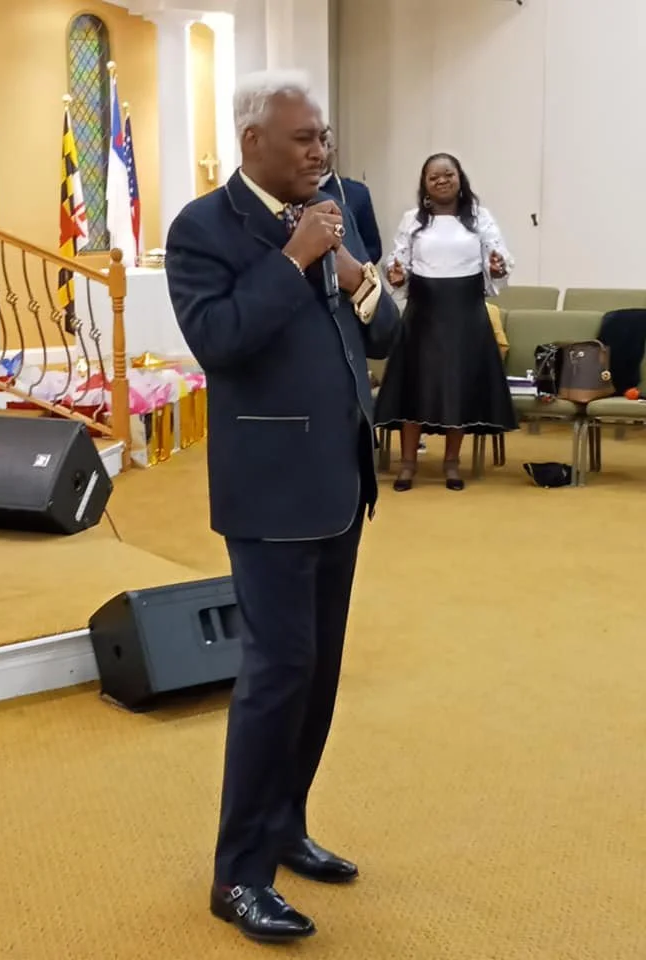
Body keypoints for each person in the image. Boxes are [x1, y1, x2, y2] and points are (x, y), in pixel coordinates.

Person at [165, 70, 398, 944]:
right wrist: (294, 258)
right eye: (304, 137)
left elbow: (385, 334)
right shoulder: (203, 227)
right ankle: (239, 875)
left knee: (318, 671)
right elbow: (219, 341)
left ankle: (286, 825)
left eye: (324, 135)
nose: (320, 150)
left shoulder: (344, 207)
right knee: (277, 675)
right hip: (268, 491)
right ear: (252, 140)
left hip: (340, 479)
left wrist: (355, 273)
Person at [375, 152, 517, 491]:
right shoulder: (412, 220)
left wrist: (497, 266)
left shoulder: (479, 218)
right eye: (434, 177)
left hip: (466, 312)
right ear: (425, 184)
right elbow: (397, 263)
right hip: (423, 313)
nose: (442, 181)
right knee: (414, 387)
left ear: (459, 178)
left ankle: (452, 463)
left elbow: (498, 260)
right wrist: (395, 274)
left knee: (458, 386)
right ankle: (408, 464)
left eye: (448, 174)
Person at [319, 126, 383, 264]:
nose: (321, 152)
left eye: (327, 145)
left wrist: (355, 266)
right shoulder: (289, 192)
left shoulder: (357, 192)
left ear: (335, 151)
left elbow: (373, 248)